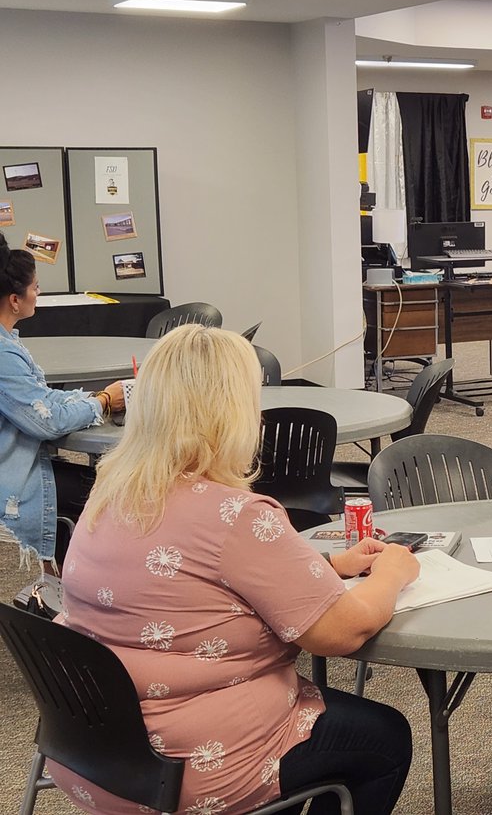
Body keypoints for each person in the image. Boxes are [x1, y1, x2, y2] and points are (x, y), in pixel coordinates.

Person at [51, 325, 419, 815]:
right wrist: (393, 571)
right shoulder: (236, 516)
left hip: (97, 751)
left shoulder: (113, 490)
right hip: (192, 765)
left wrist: (329, 563)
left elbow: (194, 581)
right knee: (384, 738)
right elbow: (343, 633)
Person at [0, 231, 126, 570]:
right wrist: (101, 401)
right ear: (15, 299)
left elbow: (39, 398)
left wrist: (87, 398)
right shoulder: (3, 354)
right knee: (112, 489)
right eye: (35, 287)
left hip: (18, 464)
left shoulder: (8, 342)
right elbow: (47, 421)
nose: (38, 293)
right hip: (12, 484)